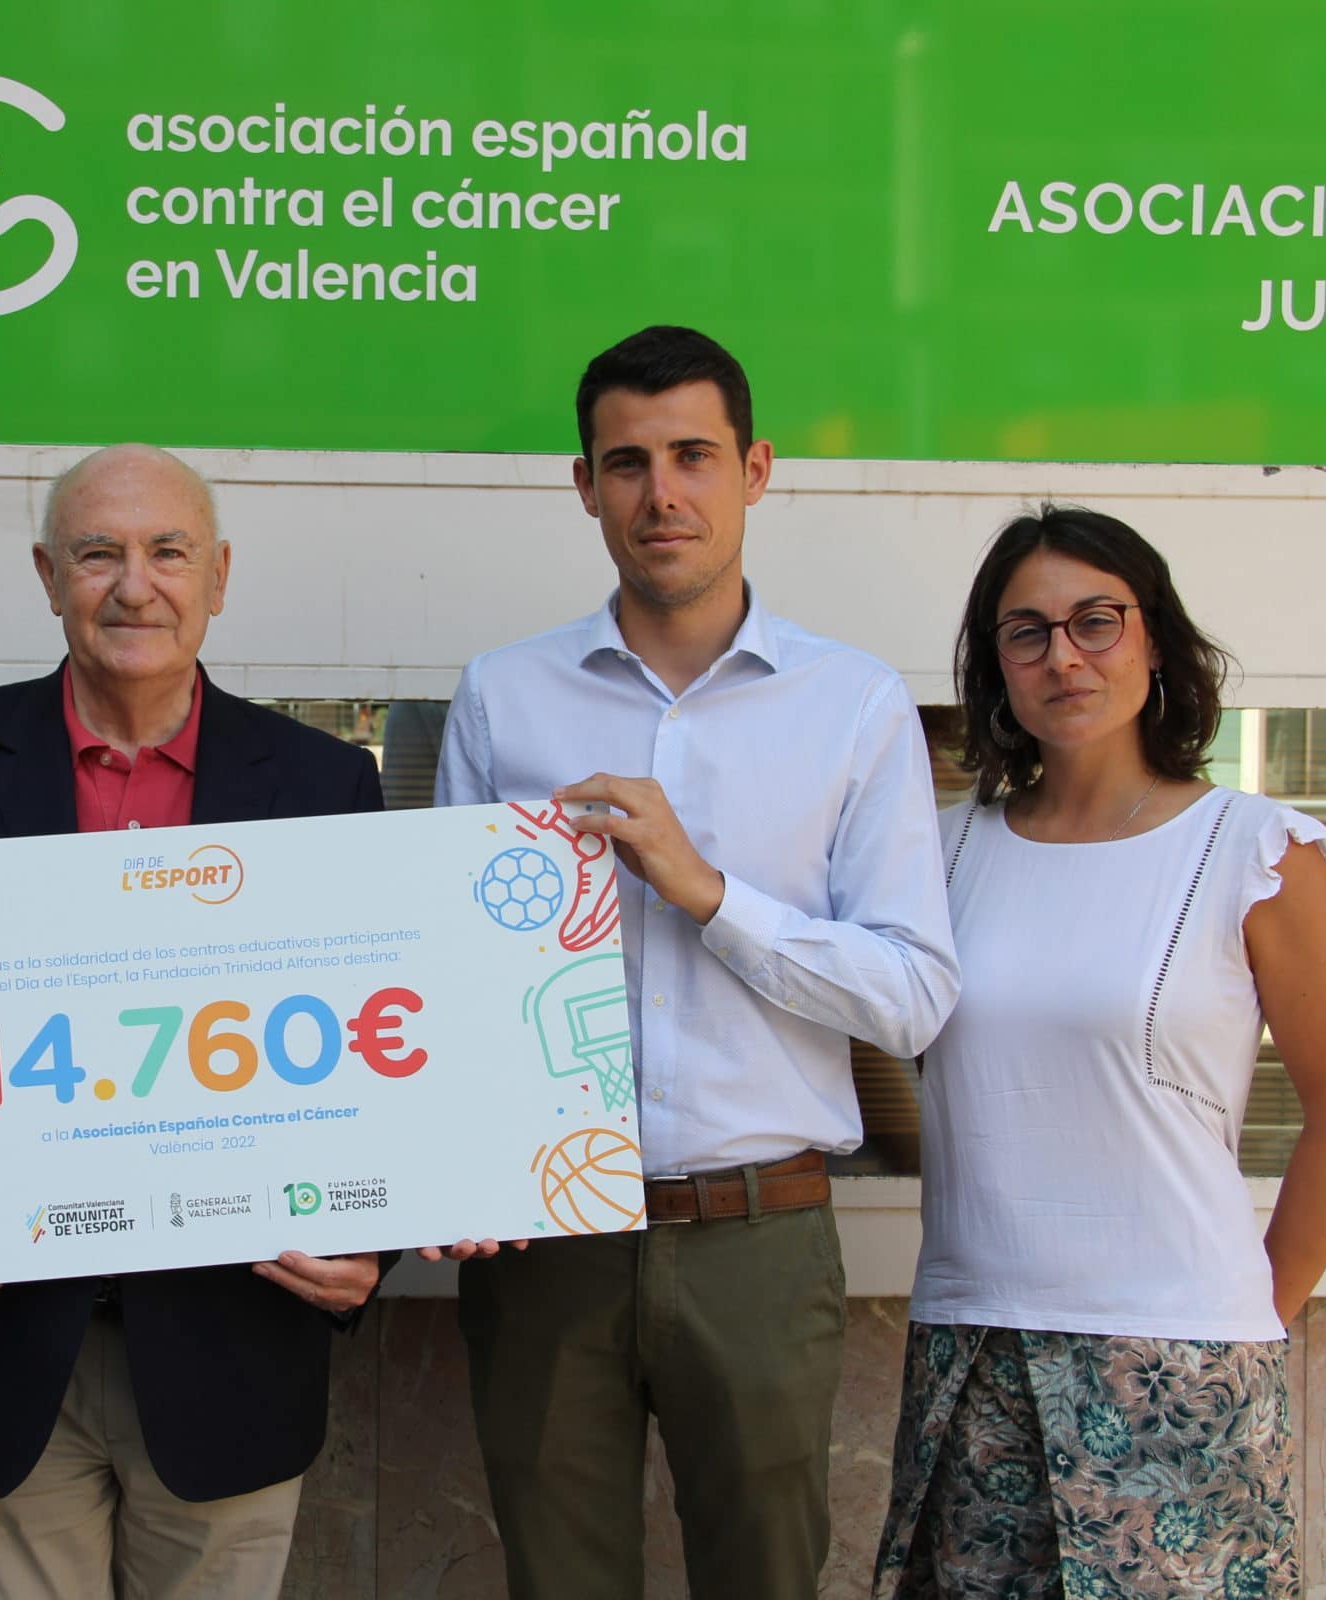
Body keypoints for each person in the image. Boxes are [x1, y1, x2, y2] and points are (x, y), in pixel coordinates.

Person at [433, 325, 961, 1598]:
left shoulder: (853, 704)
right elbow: (452, 986)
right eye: (627, 462)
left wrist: (710, 894)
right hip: (548, 1245)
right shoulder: (504, 696)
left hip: (757, 1235)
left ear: (755, 469)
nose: (661, 493)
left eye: (693, 456)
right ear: (585, 485)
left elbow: (913, 994)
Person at [0, 442, 388, 1600]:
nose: (135, 586)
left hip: (232, 1346)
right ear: (49, 576)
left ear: (219, 576)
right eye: (99, 553)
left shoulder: (325, 785)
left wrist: (372, 1245)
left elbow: (375, 1049)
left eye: (168, 552)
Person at [874, 505, 1326, 1599]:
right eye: (1027, 632)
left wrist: (1249, 1317)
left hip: (1179, 1361)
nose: (1063, 656)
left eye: (1095, 621)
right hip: (976, 1348)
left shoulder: (1257, 850)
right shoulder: (939, 846)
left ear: (1155, 639)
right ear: (996, 666)